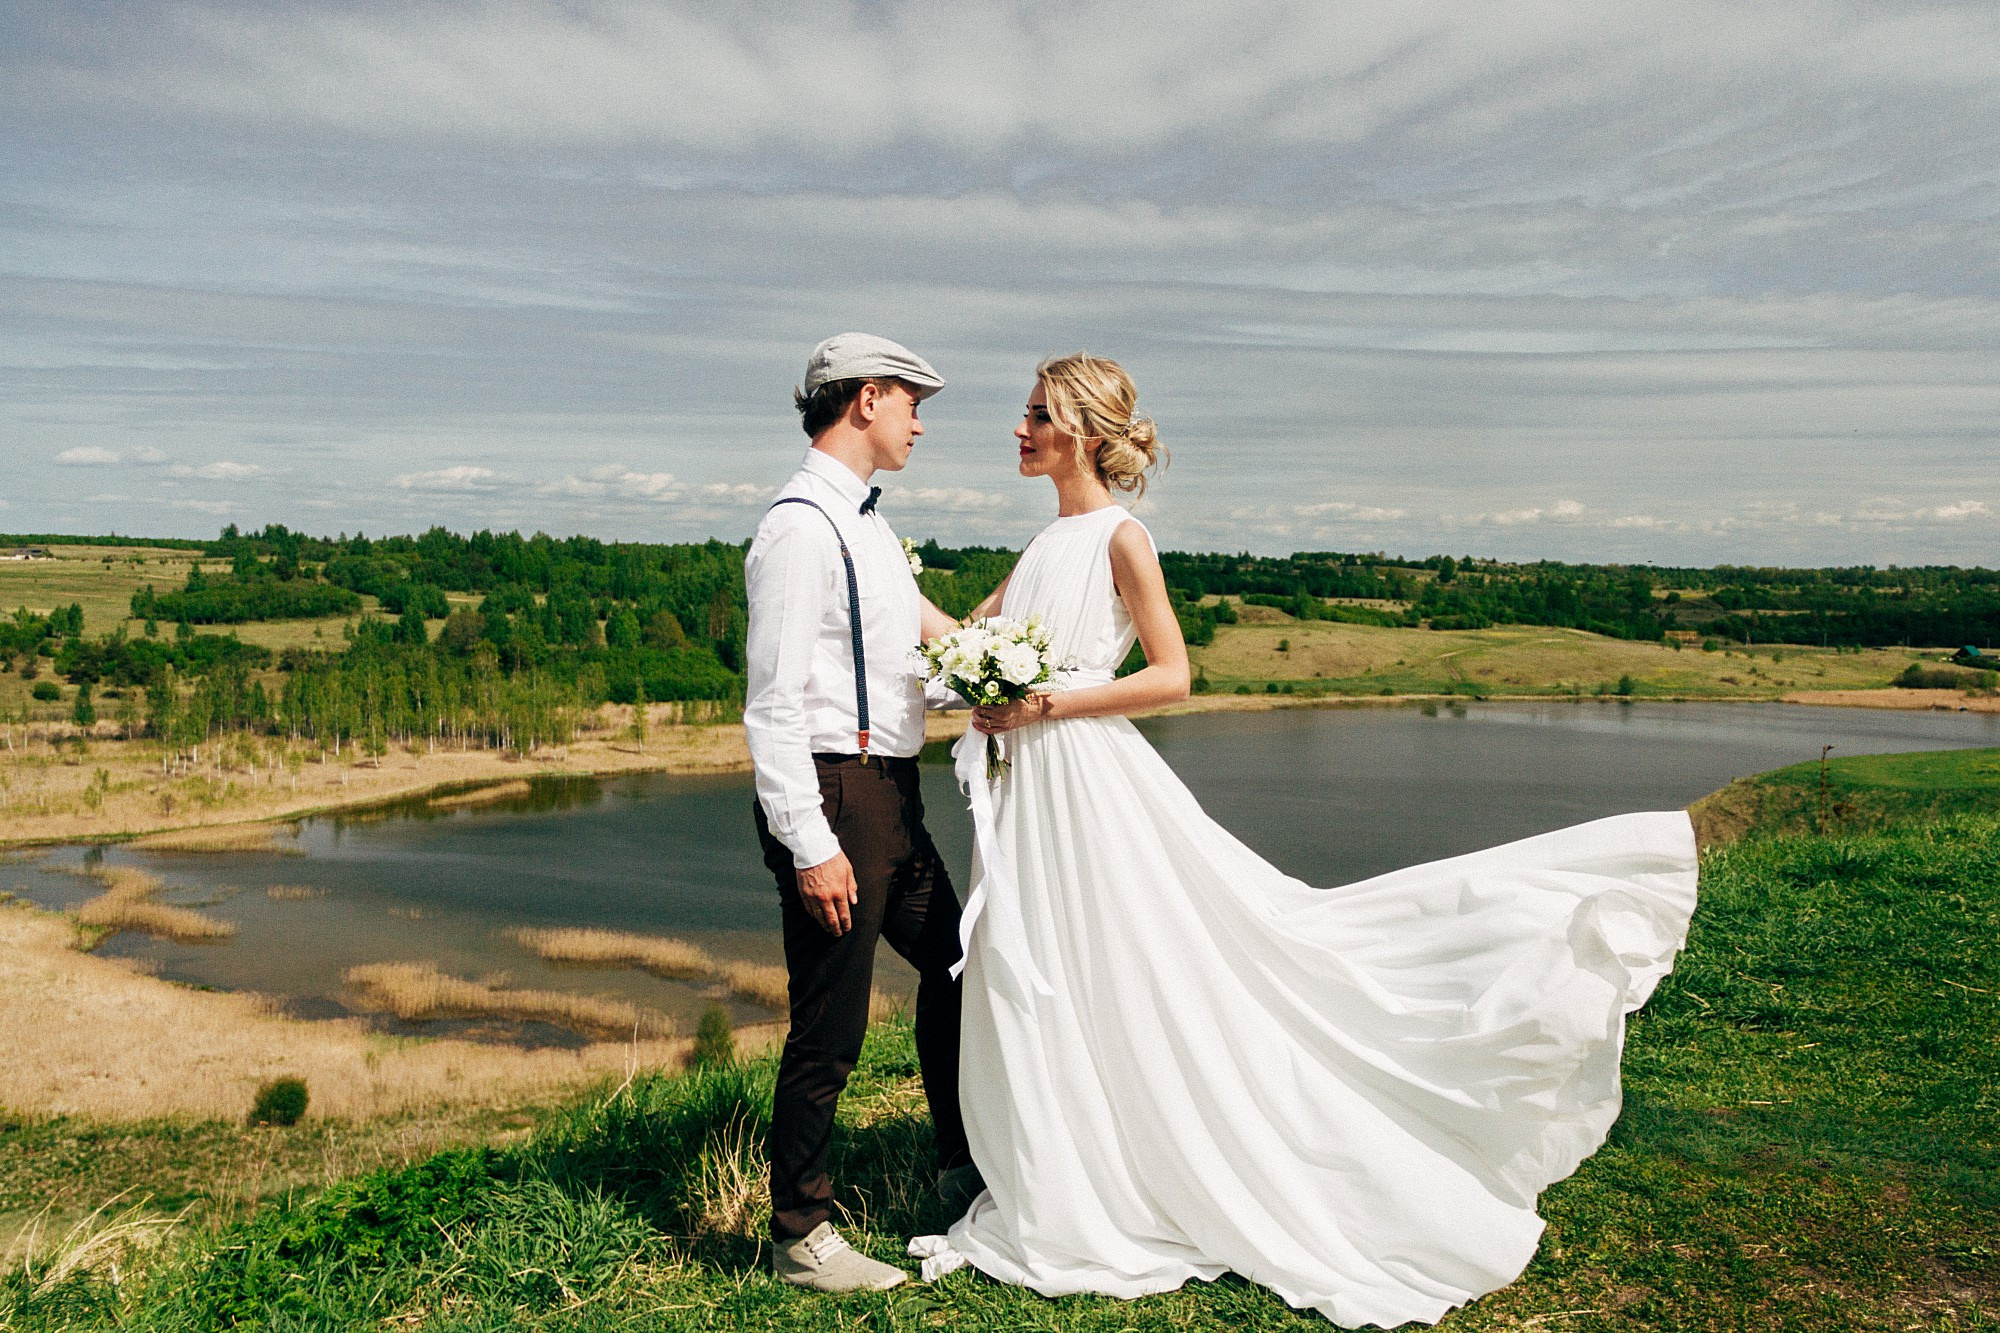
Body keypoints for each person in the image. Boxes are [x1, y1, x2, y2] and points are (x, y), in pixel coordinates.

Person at [906, 353, 1699, 1327]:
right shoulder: (1042, 546)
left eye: (1033, 414)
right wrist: (887, 575)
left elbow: (1171, 676)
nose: (1017, 430)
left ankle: (1138, 1164)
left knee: (1119, 963)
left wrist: (1045, 702)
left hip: (1085, 782)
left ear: (1078, 428)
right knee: (1040, 969)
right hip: (1029, 793)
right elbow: (960, 648)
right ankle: (1064, 1163)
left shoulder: (1121, 537)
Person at [744, 332, 980, 1293]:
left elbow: (925, 646)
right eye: (912, 402)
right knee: (830, 1026)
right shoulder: (800, 529)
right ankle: (801, 1233)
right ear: (867, 399)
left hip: (891, 791)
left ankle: (962, 1159)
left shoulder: (870, 528)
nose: (920, 421)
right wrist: (811, 844)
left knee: (962, 962)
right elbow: (773, 705)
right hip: (836, 795)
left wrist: (1021, 672)